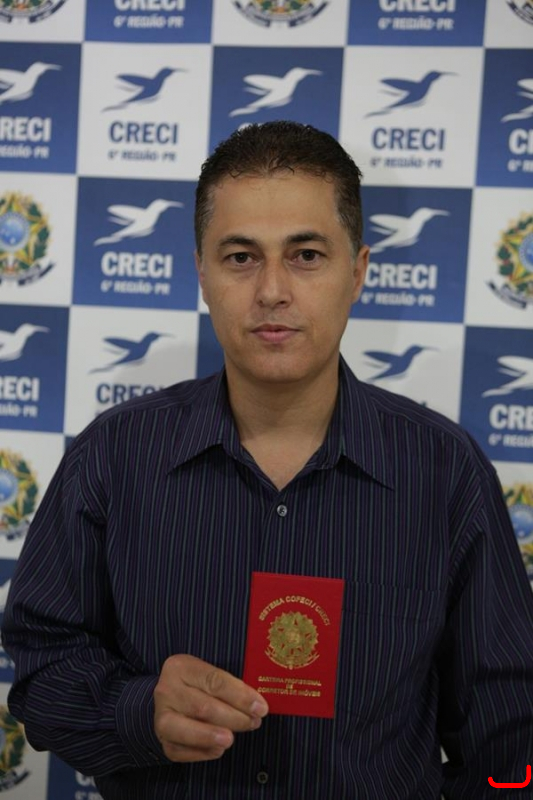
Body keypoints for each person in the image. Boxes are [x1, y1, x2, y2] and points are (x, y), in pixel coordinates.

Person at [2, 121, 533, 800]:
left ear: (358, 272)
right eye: (240, 257)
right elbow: (42, 674)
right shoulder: (112, 457)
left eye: (306, 255)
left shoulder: (445, 471)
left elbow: (509, 735)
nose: (273, 290)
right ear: (201, 273)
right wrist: (136, 711)